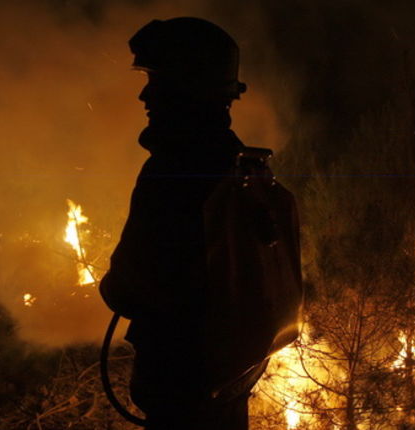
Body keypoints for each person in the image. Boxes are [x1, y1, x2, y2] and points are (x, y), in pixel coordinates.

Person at [99, 17, 260, 430]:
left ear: (187, 87)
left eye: (156, 79)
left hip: (182, 390)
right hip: (227, 382)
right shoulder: (240, 164)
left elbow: (126, 289)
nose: (144, 94)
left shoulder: (173, 172)